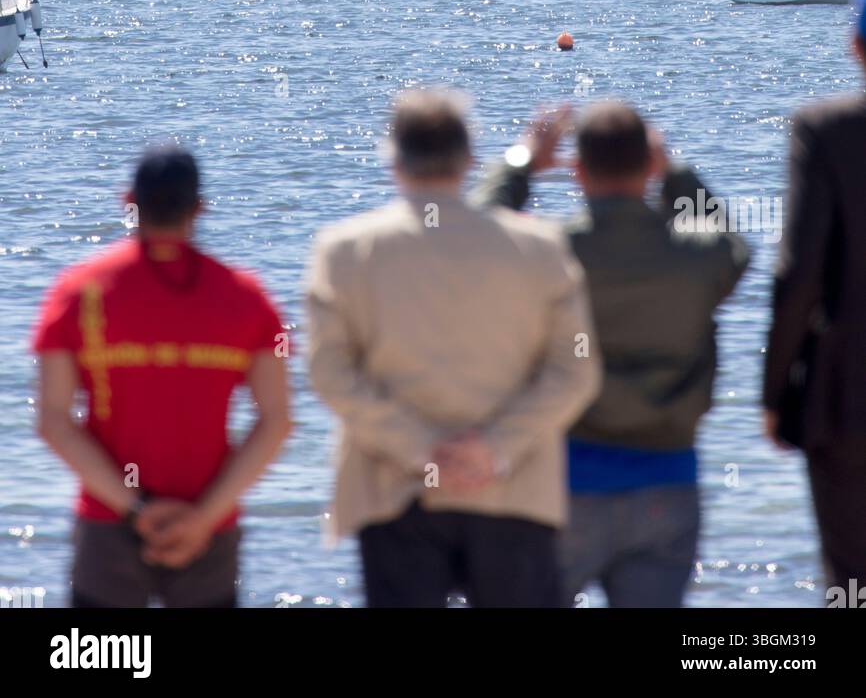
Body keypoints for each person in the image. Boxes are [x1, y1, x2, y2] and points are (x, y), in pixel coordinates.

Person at [306, 88, 600, 609]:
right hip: (512, 491)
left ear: (393, 157)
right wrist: (495, 448)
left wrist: (423, 450)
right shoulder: (539, 247)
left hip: (394, 489)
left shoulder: (344, 251)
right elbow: (574, 370)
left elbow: (331, 373)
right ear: (468, 159)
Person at [475, 101, 749, 608]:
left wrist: (519, 164)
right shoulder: (693, 258)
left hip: (560, 481)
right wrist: (676, 173)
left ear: (575, 170)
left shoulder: (547, 253)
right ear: (649, 166)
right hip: (665, 478)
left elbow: (473, 242)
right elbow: (734, 247)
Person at [32, 145, 291, 608]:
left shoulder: (79, 292)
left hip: (109, 521)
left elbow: (53, 420)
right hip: (209, 525)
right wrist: (203, 518)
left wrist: (136, 510)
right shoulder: (247, 299)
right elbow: (275, 421)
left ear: (128, 201)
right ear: (199, 207)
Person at [764, 0, 866, 601]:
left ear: (856, 45)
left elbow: (799, 272)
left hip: (846, 398)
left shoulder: (827, 132)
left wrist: (776, 393)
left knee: (851, 581)